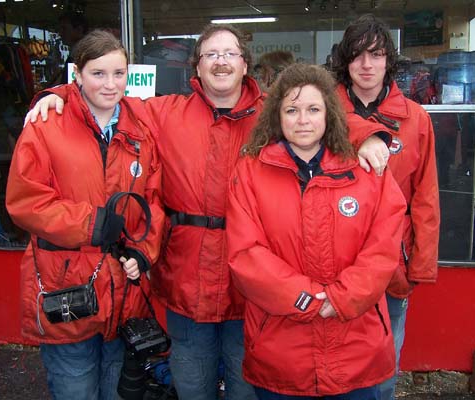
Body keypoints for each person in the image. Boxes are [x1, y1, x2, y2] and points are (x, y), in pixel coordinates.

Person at [25, 23, 392, 400]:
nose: (220, 62)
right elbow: (106, 96)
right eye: (210, 55)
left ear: (245, 64)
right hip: (188, 277)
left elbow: (321, 116)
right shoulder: (164, 112)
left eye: (230, 53)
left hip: (252, 283)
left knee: (245, 382)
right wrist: (56, 94)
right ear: (196, 68)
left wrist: (369, 135)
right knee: (191, 381)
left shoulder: (274, 112)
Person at [227, 63, 407, 399]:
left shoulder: (367, 170)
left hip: (355, 348)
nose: (303, 120)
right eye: (291, 110)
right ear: (277, 116)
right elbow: (245, 252)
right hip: (282, 354)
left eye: (313, 109)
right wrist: (305, 299)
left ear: (329, 114)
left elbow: (383, 248)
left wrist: (341, 297)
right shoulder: (250, 172)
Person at [6, 29, 164, 400]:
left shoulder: (141, 129)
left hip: (123, 296)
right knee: (75, 388)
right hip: (69, 288)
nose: (110, 84)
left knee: (117, 389)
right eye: (98, 73)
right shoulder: (46, 124)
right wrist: (91, 223)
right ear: (76, 74)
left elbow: (154, 201)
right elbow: (24, 200)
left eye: (119, 73)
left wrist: (144, 251)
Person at [332, 14, 441, 400]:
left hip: (393, 264)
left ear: (387, 61)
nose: (366, 65)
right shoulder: (320, 115)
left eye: (376, 55)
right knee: (333, 362)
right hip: (334, 263)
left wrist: (420, 265)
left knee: (384, 361)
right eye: (358, 55)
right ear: (345, 61)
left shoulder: (416, 119)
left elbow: (425, 197)